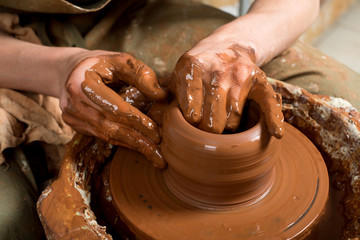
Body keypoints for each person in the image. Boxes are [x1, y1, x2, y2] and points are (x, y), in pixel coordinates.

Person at [1, 0, 360, 239]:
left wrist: (238, 44)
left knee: (341, 91)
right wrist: (59, 69)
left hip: (133, 9)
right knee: (11, 217)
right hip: (12, 49)